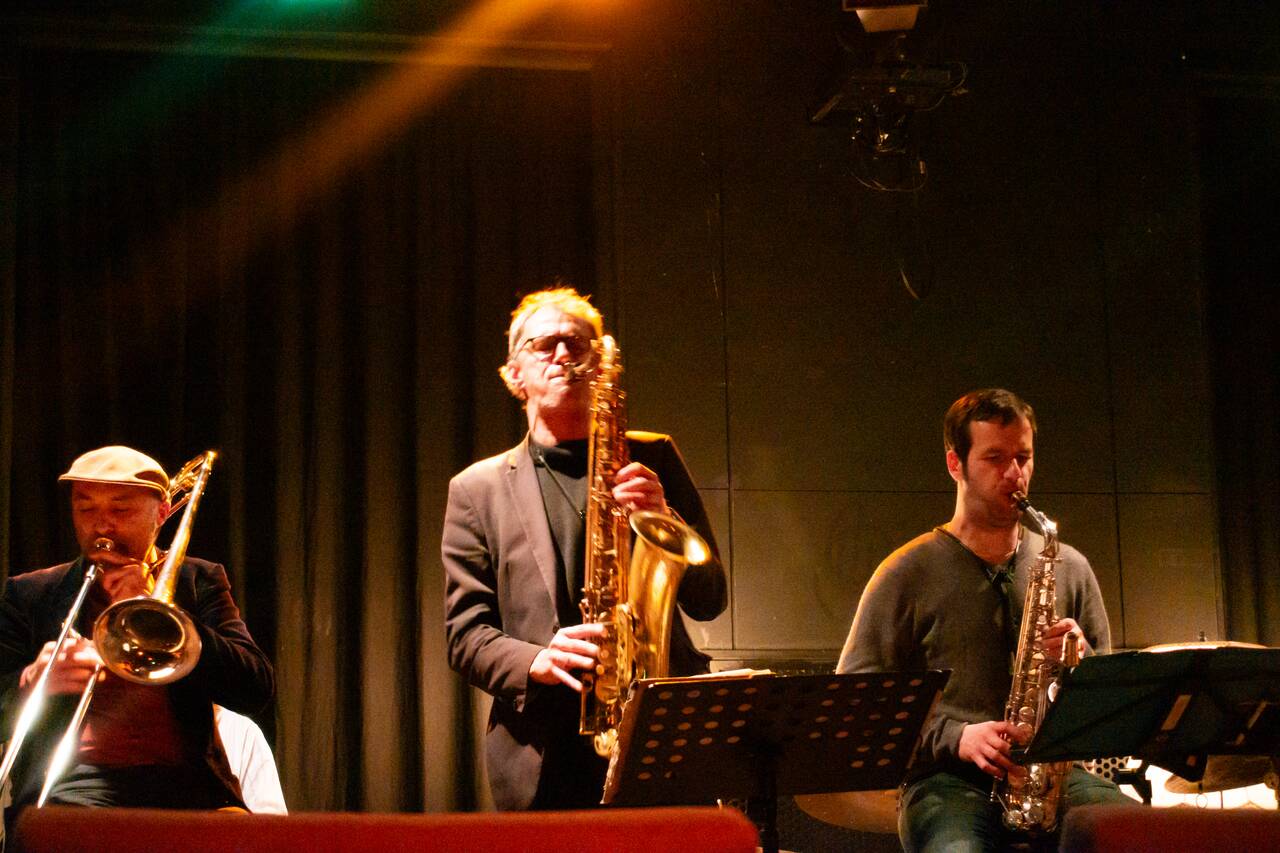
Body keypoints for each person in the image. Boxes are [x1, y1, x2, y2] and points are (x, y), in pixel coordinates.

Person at [442, 286, 727, 810]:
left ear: (601, 368)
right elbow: (465, 636)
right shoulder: (475, 489)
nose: (564, 355)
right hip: (545, 754)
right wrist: (539, 660)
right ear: (514, 374)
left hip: (659, 738)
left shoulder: (654, 457)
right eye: (543, 344)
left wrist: (665, 515)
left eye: (578, 344)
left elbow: (710, 599)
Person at [836, 389, 1127, 852]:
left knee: (1147, 835)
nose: (1016, 474)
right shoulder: (906, 572)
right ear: (956, 464)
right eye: (995, 458)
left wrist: (1084, 663)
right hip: (946, 785)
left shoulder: (1069, 566)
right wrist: (955, 736)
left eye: (1024, 457)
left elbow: (1112, 707)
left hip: (1055, 780)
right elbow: (856, 702)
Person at [0, 446, 274, 822]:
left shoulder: (199, 580)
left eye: (121, 510)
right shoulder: (31, 593)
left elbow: (255, 688)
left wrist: (167, 615)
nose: (102, 526)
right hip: (74, 782)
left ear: (161, 513)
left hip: (185, 784)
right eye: (86, 508)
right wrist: (33, 682)